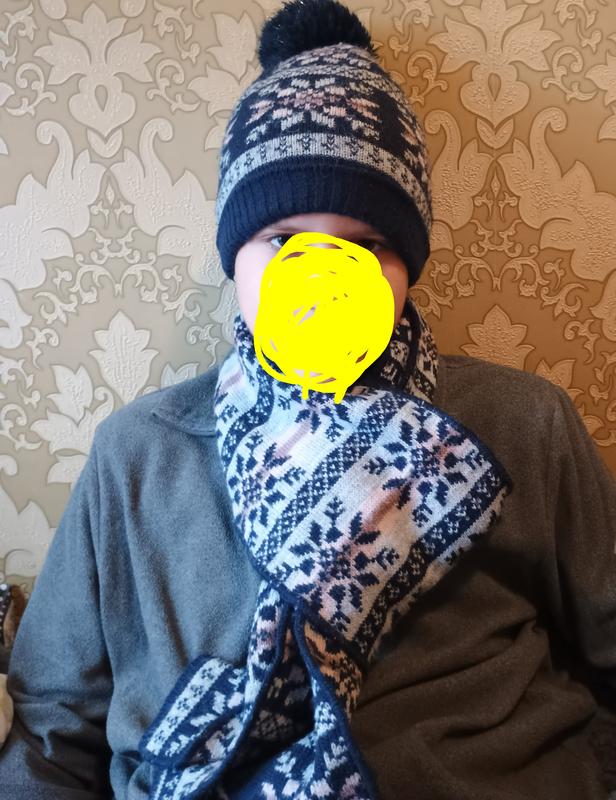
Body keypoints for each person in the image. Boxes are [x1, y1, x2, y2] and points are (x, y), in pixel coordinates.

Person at [1, 0, 615, 798]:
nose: (324, 281)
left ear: (408, 266)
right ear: (236, 258)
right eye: (284, 240)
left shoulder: (523, 423)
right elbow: (52, 729)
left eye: (368, 245)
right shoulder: (140, 454)